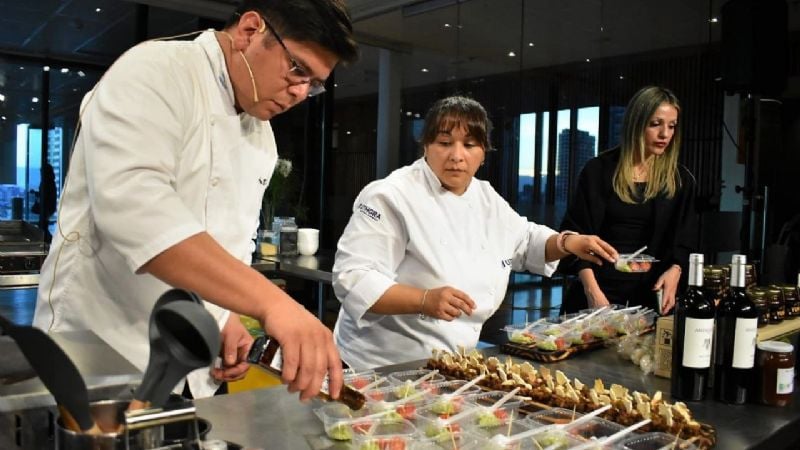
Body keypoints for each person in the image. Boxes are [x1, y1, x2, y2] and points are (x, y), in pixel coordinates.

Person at [33, 0, 358, 401]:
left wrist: (223, 316)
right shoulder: (156, 71)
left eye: (314, 83)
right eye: (298, 69)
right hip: (104, 340)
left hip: (191, 356)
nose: (300, 91)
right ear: (250, 30)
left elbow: (230, 242)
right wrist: (274, 305)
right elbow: (136, 213)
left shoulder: (261, 137)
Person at [331, 96, 618, 369]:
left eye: (469, 145)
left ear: (483, 153)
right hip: (376, 363)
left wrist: (568, 242)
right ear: (426, 146)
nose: (457, 156)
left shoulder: (485, 196)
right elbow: (353, 277)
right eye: (444, 142)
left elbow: (526, 239)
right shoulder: (391, 195)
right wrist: (424, 300)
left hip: (449, 361)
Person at [558, 86, 698, 315]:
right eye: (656, 124)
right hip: (596, 293)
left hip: (651, 299)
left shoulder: (680, 180)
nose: (665, 134)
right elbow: (575, 236)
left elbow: (686, 241)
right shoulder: (598, 170)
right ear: (636, 123)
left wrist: (676, 270)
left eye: (671, 126)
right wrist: (593, 293)